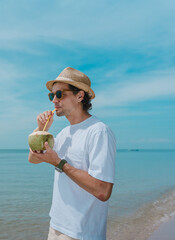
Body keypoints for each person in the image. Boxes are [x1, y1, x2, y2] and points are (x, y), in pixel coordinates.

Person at [28, 67, 116, 240]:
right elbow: (32, 158)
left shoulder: (98, 132)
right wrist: (40, 129)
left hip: (82, 232)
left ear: (80, 96)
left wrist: (59, 163)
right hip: (56, 227)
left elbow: (103, 191)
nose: (54, 100)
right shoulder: (63, 134)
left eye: (59, 94)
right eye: (51, 95)